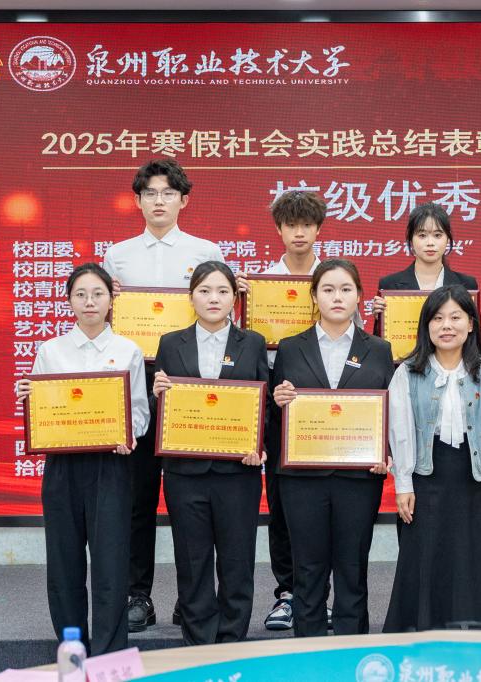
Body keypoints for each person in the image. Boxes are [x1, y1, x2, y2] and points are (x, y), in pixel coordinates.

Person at [102, 159, 224, 632]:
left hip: (189, 383)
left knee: (191, 496)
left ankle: (193, 597)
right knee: (137, 496)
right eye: (150, 193)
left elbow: (220, 313)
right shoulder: (118, 255)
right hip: (135, 380)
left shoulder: (205, 250)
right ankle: (138, 594)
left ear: (183, 200)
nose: (159, 200)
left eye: (168, 193)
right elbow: (105, 321)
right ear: (137, 201)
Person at [15, 263, 149, 654]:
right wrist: (31, 401)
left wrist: (127, 435)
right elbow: (42, 413)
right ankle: (73, 651)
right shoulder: (50, 351)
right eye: (80, 294)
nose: (89, 302)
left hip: (111, 466)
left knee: (110, 565)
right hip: (63, 467)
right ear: (69, 300)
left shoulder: (128, 350)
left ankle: (109, 657)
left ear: (111, 300)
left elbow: (140, 414)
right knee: (64, 565)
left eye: (97, 294)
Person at [268, 259, 394, 637]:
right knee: (307, 570)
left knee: (352, 569)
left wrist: (385, 452)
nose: (337, 297)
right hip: (302, 478)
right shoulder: (290, 348)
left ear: (359, 297)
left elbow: (390, 408)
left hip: (358, 477)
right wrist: (277, 399)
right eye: (328, 289)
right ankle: (309, 655)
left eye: (345, 289)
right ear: (313, 296)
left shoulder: (380, 349)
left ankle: (351, 651)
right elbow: (276, 416)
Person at [384, 285, 481, 632]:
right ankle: (422, 626)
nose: (447, 325)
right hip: (426, 475)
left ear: (470, 324)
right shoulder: (408, 372)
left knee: (474, 554)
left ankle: (480, 629)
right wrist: (403, 483)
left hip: (473, 476)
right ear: (426, 326)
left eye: (456, 317)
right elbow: (400, 430)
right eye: (438, 318)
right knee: (426, 552)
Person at [151, 261, 268, 645]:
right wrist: (157, 395)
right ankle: (199, 641)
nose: (213, 298)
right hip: (185, 474)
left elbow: (264, 404)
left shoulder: (252, 342)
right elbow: (161, 413)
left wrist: (259, 447)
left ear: (235, 297)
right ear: (191, 297)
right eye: (204, 290)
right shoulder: (171, 343)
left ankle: (232, 638)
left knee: (237, 560)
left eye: (222, 291)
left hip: (238, 474)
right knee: (192, 560)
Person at [236, 189, 328, 632]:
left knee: (329, 503)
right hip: (278, 398)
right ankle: (289, 594)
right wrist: (240, 304)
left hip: (328, 401)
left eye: (307, 224)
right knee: (282, 500)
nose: (299, 233)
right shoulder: (261, 286)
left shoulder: (333, 278)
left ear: (318, 228)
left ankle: (322, 596)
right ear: (279, 229)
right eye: (291, 225)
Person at [371, 202, 479, 334]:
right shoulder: (390, 285)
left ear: (447, 239)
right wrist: (380, 320)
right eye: (422, 235)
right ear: (411, 240)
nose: (430, 243)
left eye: (437, 235)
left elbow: (475, 338)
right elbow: (381, 342)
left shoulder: (467, 284)